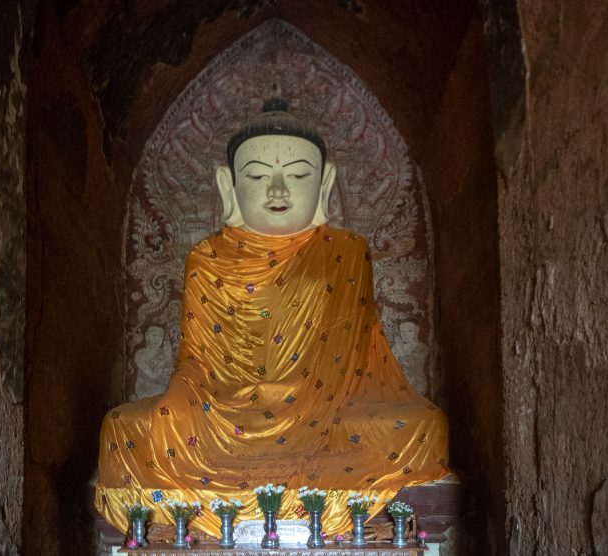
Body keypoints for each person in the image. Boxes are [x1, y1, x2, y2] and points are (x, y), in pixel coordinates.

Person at [95, 99, 450, 537]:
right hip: (224, 411)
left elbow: (355, 363)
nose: (278, 191)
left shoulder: (346, 251)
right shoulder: (207, 258)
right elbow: (195, 362)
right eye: (258, 176)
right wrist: (185, 406)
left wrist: (299, 401)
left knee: (426, 425)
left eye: (298, 175)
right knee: (121, 427)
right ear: (228, 186)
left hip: (327, 413)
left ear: (325, 183)